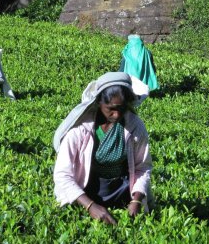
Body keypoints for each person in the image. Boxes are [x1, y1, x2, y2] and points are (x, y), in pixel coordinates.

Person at [53, 72, 154, 225]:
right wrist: (90, 205)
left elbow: (142, 167)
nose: (117, 114)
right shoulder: (80, 129)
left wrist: (137, 200)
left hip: (122, 189)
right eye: (111, 109)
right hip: (87, 188)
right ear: (99, 102)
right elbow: (62, 175)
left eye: (122, 108)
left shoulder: (134, 126)